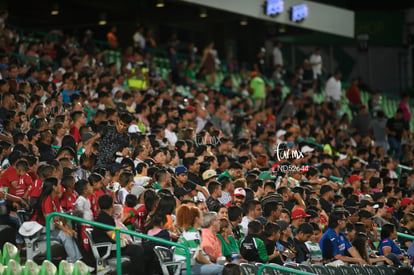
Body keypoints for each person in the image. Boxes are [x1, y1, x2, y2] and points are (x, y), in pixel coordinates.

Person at [31, 177, 83, 263]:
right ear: (54, 187)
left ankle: (78, 260)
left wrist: (67, 227)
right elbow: (50, 221)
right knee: (65, 235)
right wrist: (65, 230)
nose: (61, 187)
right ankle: (72, 261)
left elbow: (60, 215)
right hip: (41, 231)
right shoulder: (46, 200)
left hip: (52, 229)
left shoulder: (54, 198)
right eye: (59, 185)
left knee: (70, 233)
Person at [92, 194, 145, 274]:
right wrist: (124, 240)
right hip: (108, 250)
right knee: (138, 250)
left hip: (110, 247)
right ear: (112, 205)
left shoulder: (103, 217)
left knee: (137, 249)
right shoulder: (104, 218)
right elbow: (113, 236)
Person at [174, 204, 223, 275]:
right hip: (184, 268)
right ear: (196, 218)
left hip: (188, 265)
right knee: (221, 269)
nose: (203, 218)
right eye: (201, 216)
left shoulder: (192, 232)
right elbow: (199, 257)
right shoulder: (192, 234)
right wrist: (212, 264)